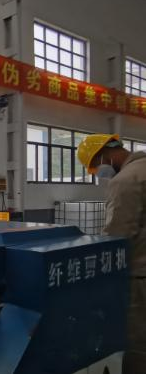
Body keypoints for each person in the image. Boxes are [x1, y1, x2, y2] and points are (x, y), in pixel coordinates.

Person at [77, 134, 146, 373]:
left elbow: (117, 235)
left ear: (104, 155)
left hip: (140, 276)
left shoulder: (126, 180)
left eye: (95, 166)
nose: (99, 173)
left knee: (139, 346)